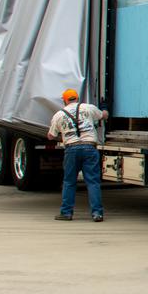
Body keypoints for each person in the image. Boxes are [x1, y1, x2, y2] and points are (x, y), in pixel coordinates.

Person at [47, 89, 108, 222]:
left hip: (71, 149)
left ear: (64, 100)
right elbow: (103, 115)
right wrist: (105, 109)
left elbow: (51, 136)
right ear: (77, 98)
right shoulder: (89, 108)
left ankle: (66, 213)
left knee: (69, 182)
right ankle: (97, 214)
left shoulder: (58, 115)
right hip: (89, 147)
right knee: (92, 182)